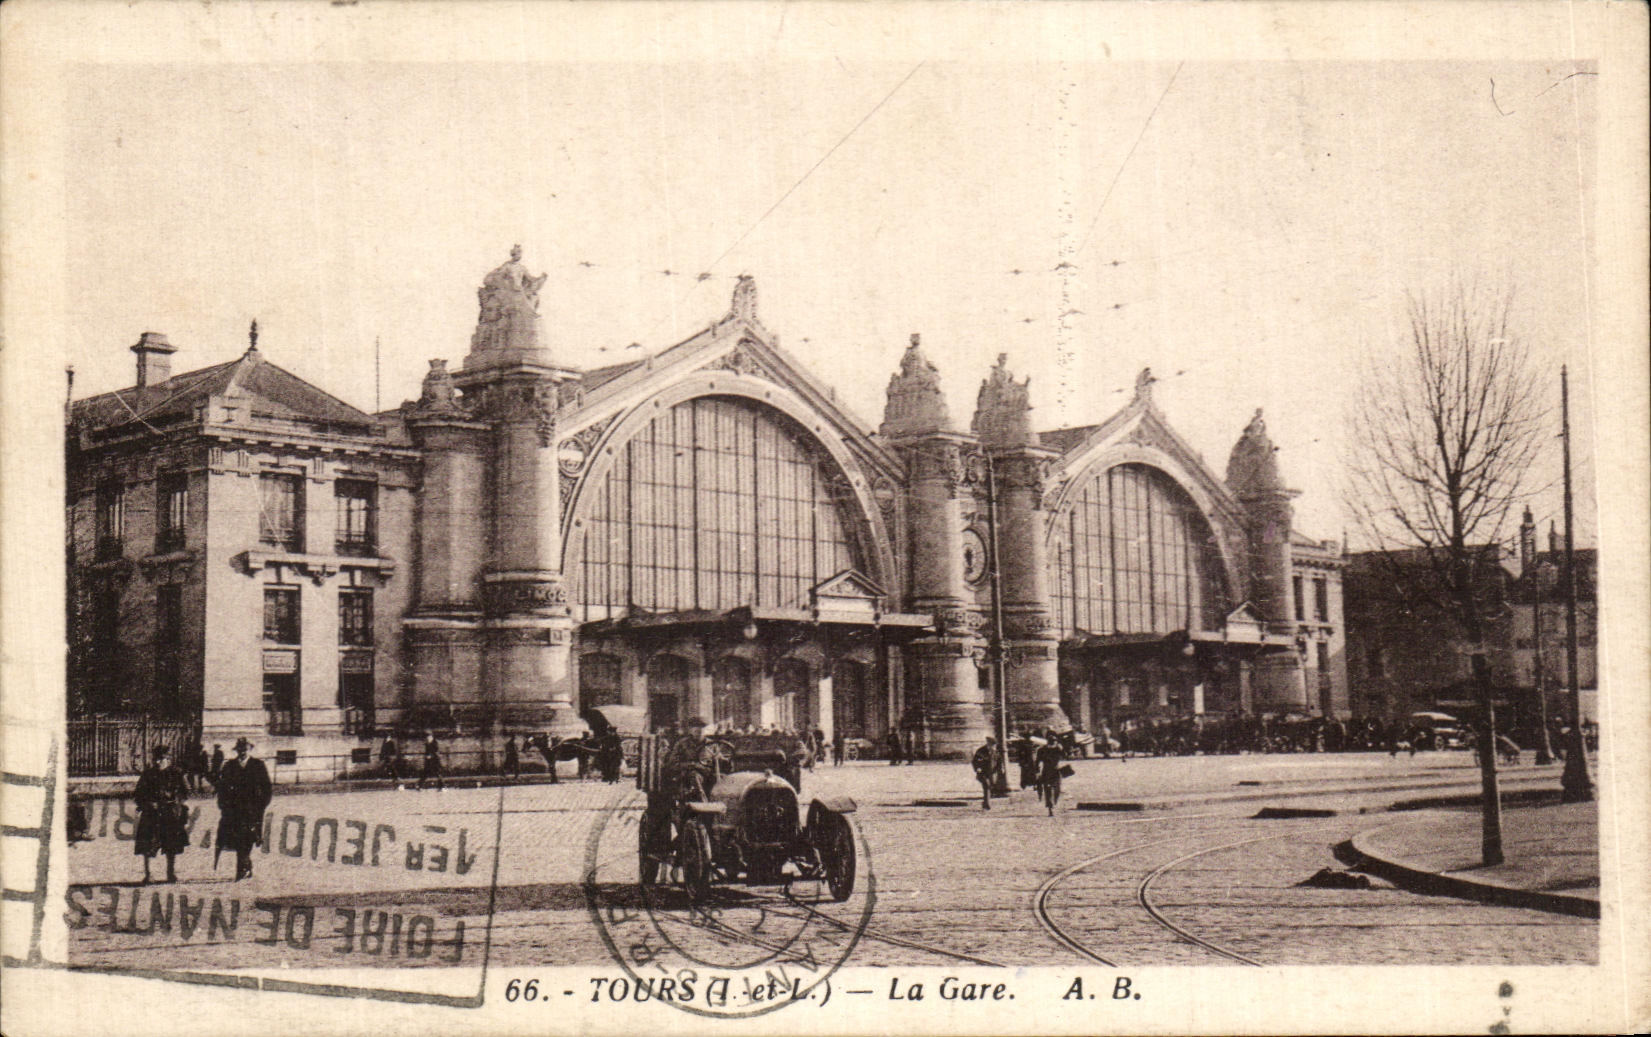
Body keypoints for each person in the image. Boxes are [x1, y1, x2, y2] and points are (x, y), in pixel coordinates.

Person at [214, 738, 272, 881]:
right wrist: (223, 805)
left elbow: (267, 788)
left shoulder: (258, 765)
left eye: (245, 749)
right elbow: (221, 787)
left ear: (249, 750)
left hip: (253, 809)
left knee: (249, 837)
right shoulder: (230, 765)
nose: (242, 752)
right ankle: (244, 867)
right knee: (237, 838)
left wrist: (261, 805)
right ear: (237, 751)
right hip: (234, 810)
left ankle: (242, 868)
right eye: (240, 749)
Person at [134, 745, 189, 884]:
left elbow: (186, 792)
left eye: (161, 759)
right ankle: (149, 874)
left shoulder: (177, 773)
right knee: (149, 844)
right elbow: (138, 794)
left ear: (168, 759)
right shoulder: (148, 774)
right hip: (151, 814)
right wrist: (147, 803)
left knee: (172, 844)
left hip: (170, 814)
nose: (158, 762)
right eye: (156, 759)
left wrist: (176, 801)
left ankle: (171, 873)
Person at [1034, 735, 1065, 817]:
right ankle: (1050, 807)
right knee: (1049, 789)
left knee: (1056, 789)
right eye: (1053, 741)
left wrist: (1061, 749)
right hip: (1049, 771)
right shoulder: (1043, 750)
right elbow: (1037, 761)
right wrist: (1037, 771)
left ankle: (1053, 804)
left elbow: (1065, 755)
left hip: (1054, 771)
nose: (1054, 743)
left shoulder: (1057, 749)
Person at [971, 737, 998, 810]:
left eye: (994, 745)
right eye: (992, 745)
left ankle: (985, 802)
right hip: (983, 772)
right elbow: (974, 761)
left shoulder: (995, 751)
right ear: (988, 744)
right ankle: (987, 804)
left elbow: (998, 760)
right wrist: (977, 768)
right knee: (987, 785)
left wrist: (1000, 768)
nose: (993, 747)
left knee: (990, 786)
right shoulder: (981, 751)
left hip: (992, 772)